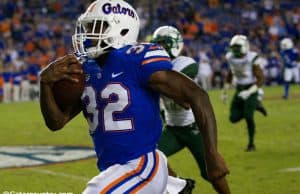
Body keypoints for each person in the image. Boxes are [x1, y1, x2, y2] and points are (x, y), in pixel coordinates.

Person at [39, 0, 230, 193]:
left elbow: (198, 96)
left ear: (121, 29)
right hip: (116, 169)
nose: (88, 34)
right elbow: (56, 122)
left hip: (141, 165)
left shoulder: (135, 58)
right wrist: (45, 84)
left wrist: (212, 155)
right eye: (87, 27)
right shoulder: (86, 70)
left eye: (95, 26)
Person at [151, 25, 212, 193]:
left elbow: (184, 101)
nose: (159, 48)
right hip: (173, 128)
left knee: (210, 173)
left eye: (163, 44)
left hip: (192, 127)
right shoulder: (156, 68)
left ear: (174, 44)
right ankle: (179, 186)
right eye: (157, 44)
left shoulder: (183, 63)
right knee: (150, 156)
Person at [223, 35, 265, 152]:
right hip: (239, 89)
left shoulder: (252, 58)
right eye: (234, 48)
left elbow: (261, 79)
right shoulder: (230, 57)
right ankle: (255, 106)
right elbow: (230, 74)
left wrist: (249, 92)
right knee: (233, 118)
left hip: (251, 89)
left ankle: (251, 144)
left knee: (248, 116)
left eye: (238, 47)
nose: (235, 50)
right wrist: (225, 92)